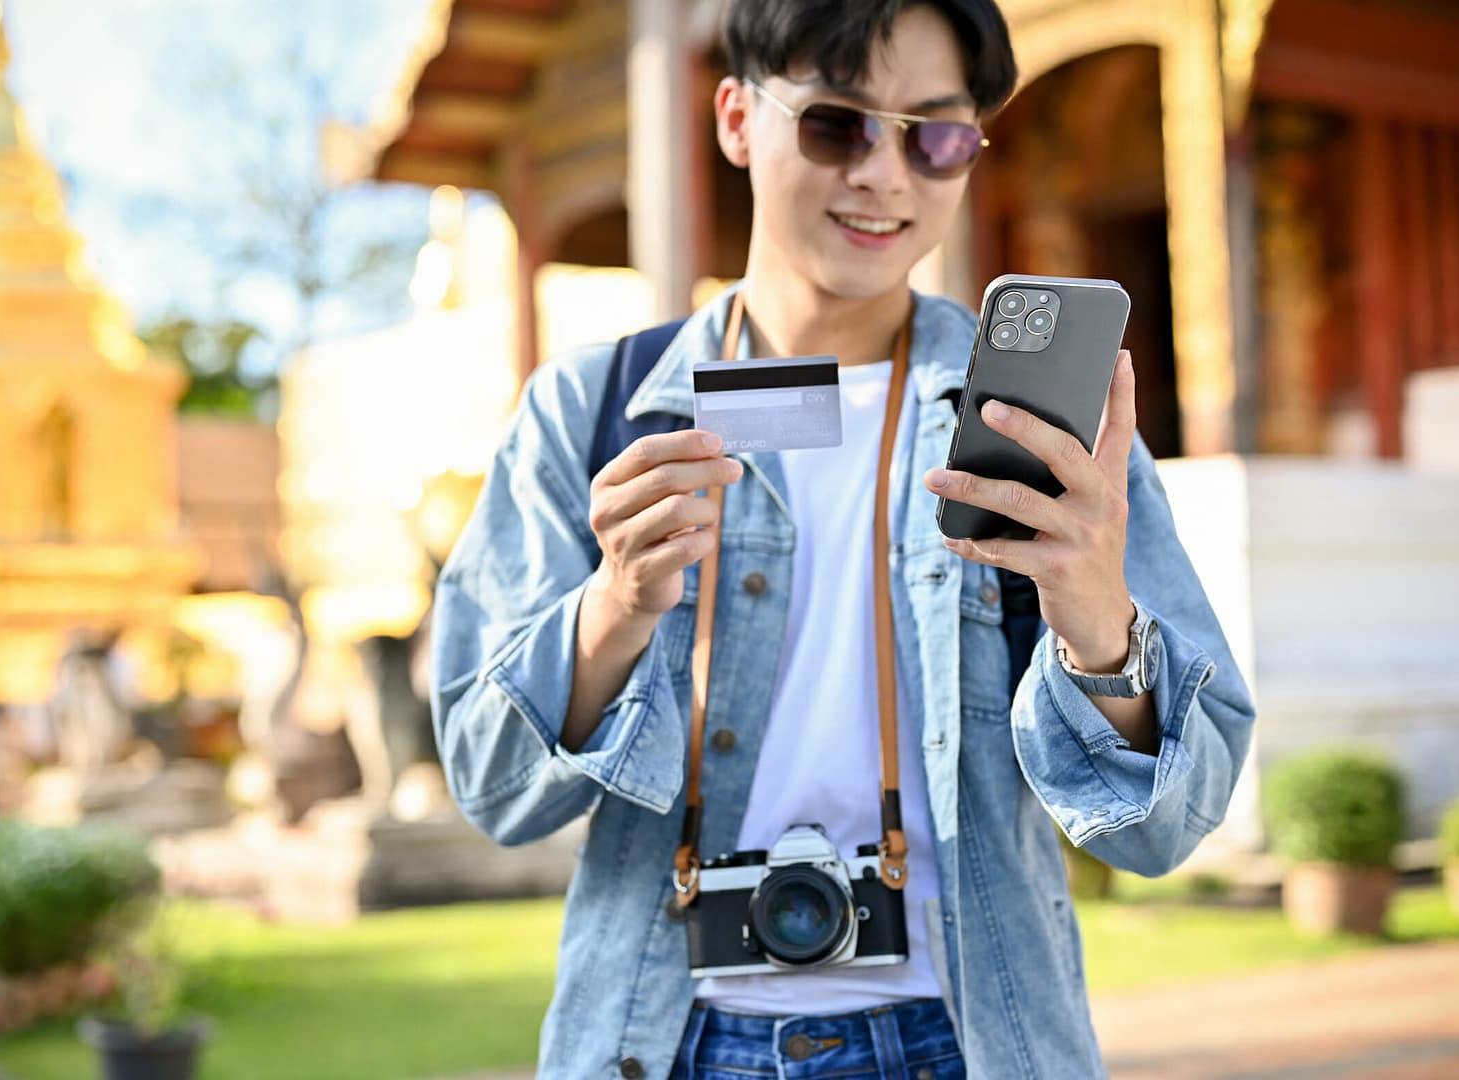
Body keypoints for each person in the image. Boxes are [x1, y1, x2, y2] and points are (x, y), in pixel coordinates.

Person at [430, 1, 1255, 1076]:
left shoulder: (1043, 429)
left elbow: (1164, 830)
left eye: (938, 135)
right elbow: (491, 788)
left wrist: (1099, 623)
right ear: (736, 118)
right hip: (666, 1041)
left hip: (963, 1039)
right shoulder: (595, 410)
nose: (886, 174)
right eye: (837, 125)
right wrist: (615, 610)